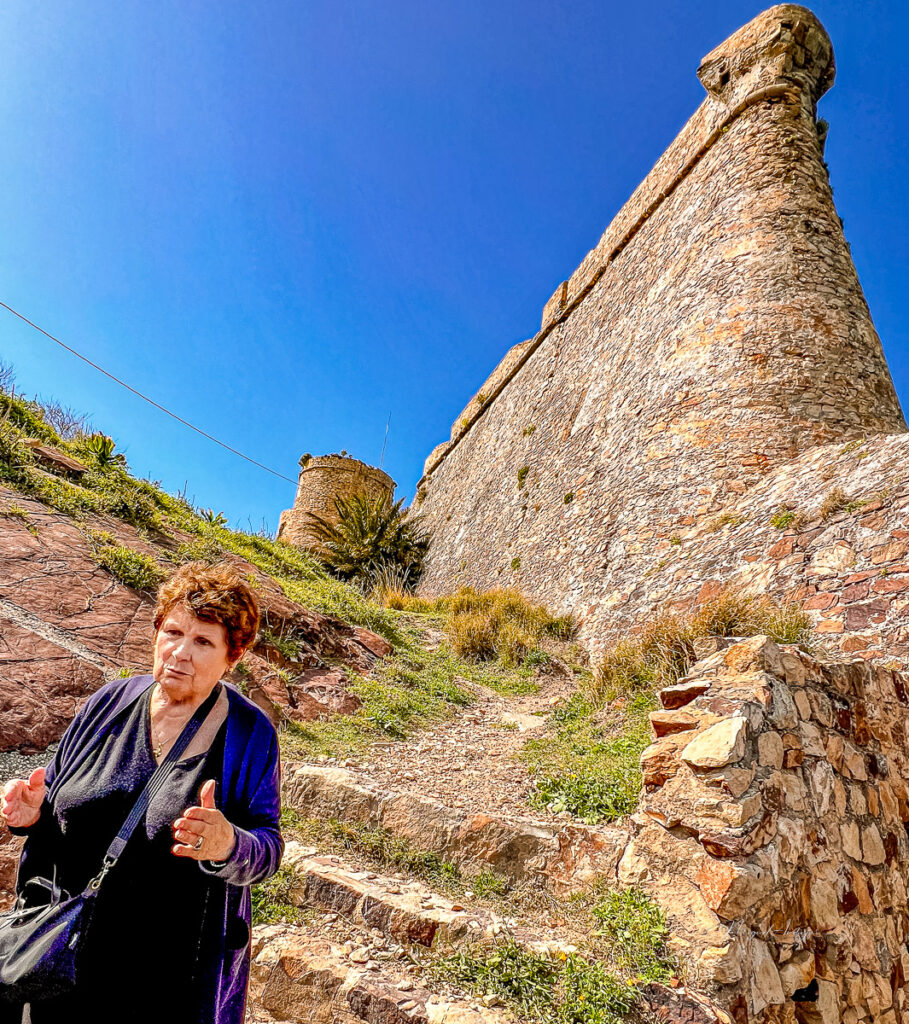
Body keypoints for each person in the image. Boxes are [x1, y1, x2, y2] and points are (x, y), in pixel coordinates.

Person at [0, 561, 283, 1024]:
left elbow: (268, 848)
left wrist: (228, 844)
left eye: (203, 642)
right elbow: (56, 791)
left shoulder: (250, 735)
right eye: (173, 632)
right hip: (60, 955)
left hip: (166, 979)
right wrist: (33, 810)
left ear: (232, 657)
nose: (180, 653)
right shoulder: (109, 703)